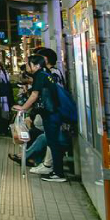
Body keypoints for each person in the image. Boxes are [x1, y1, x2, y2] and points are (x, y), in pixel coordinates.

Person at [14, 54, 66, 182]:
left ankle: (58, 174)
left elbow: (34, 95)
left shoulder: (40, 76)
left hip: (50, 113)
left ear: (36, 65)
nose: (28, 66)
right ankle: (54, 170)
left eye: (29, 64)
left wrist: (23, 108)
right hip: (52, 112)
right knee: (52, 142)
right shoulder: (46, 75)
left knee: (53, 143)